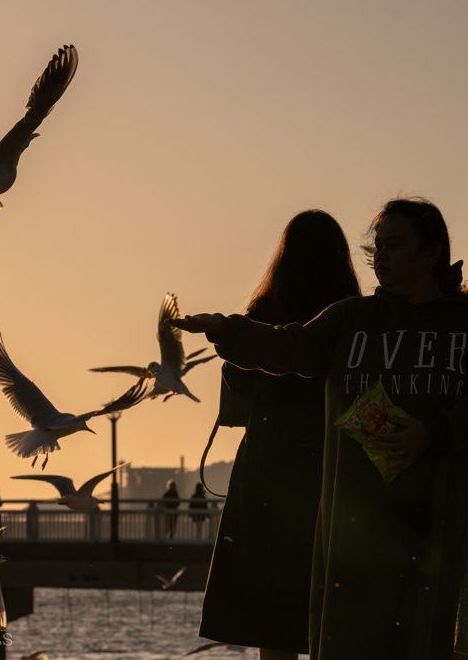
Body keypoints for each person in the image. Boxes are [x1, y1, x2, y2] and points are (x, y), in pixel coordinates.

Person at [172, 198, 468, 659]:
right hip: (350, 521)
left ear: (431, 252)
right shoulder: (353, 317)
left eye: (394, 245)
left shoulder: (459, 325)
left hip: (428, 520)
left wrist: (435, 433)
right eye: (376, 248)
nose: (381, 257)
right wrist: (224, 331)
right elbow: (291, 348)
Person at [198, 210, 361, 660]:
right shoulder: (353, 315)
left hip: (269, 470)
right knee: (331, 609)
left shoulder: (264, 313)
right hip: (333, 467)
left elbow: (244, 385)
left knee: (271, 617)